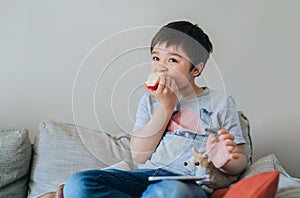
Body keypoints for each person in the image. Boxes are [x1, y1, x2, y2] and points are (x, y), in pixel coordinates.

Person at [63, 20, 248, 198]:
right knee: (78, 184)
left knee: (171, 192)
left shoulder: (220, 102)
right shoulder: (150, 101)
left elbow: (240, 161)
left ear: (196, 70)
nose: (161, 66)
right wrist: (166, 106)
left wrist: (224, 161)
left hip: (187, 182)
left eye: (173, 60)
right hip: (147, 176)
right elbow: (139, 155)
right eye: (156, 58)